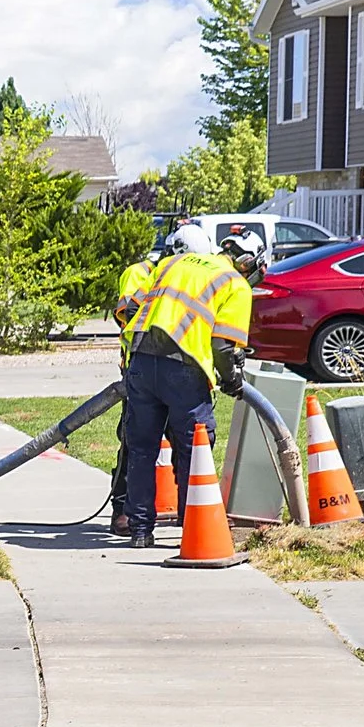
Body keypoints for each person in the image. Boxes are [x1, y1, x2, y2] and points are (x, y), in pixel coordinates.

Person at [119, 224, 252, 547]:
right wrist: (233, 380)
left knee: (141, 449)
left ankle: (139, 531)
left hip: (140, 360)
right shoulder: (234, 283)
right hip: (184, 369)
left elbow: (131, 308)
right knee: (195, 451)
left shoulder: (169, 265)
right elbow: (222, 347)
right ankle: (193, 525)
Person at [105, 237, 166, 538]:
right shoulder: (139, 273)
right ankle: (122, 510)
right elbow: (128, 315)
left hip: (175, 368)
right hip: (139, 369)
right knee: (134, 444)